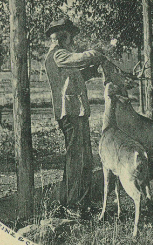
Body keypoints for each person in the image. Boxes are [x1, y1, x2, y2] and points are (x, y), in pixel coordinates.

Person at [44, 17, 109, 219]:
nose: (73, 40)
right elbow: (78, 59)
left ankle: (82, 203)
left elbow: (75, 76)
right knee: (76, 160)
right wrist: (96, 54)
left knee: (84, 159)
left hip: (76, 112)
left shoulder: (63, 57)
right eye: (71, 36)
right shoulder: (58, 55)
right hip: (70, 113)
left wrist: (91, 70)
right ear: (64, 37)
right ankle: (73, 204)